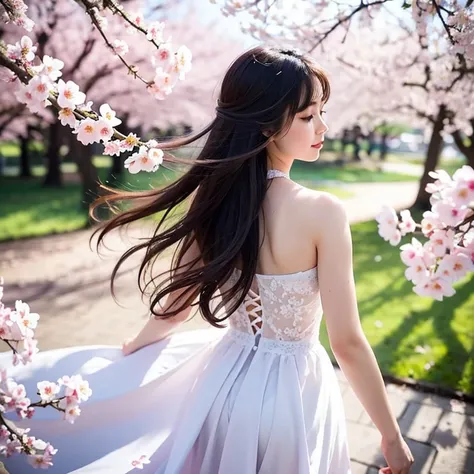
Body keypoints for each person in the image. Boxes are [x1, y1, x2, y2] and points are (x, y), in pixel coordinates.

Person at [1, 46, 414, 474]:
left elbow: (176, 303)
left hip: (221, 387)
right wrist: (390, 435)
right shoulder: (323, 212)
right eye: (308, 116)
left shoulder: (216, 199)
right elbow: (345, 342)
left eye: (321, 112)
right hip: (295, 396)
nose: (322, 127)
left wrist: (134, 348)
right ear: (266, 124)